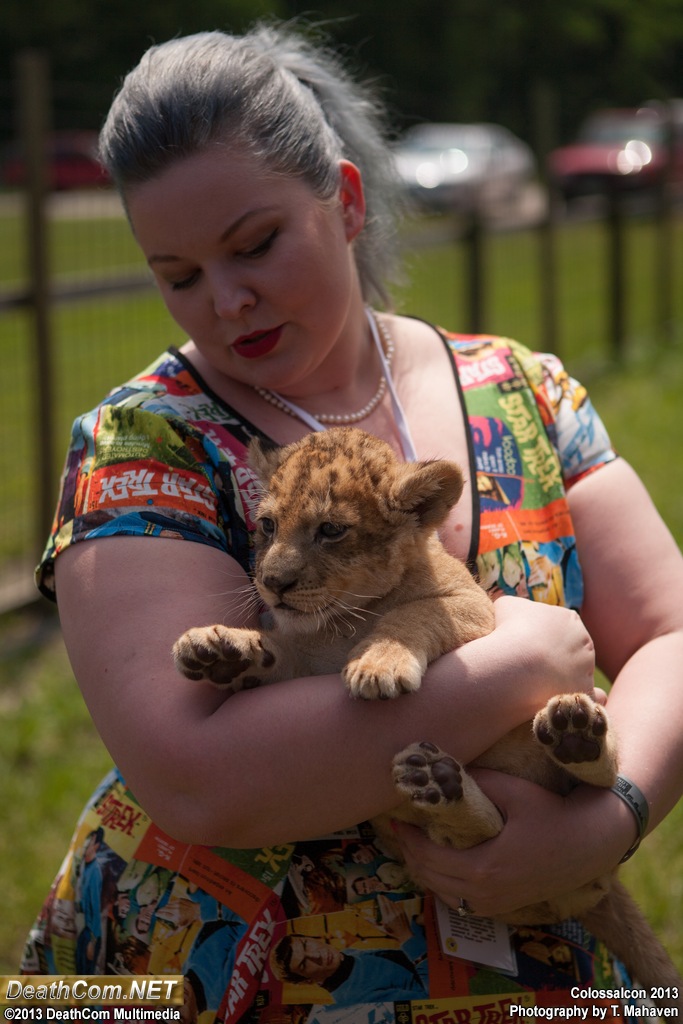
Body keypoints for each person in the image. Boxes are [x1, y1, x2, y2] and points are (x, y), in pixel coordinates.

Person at [21, 20, 683, 1023]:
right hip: (222, 979)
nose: (226, 300)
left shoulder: (521, 391)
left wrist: (608, 818)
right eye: (178, 274)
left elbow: (672, 633)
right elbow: (203, 782)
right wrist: (523, 659)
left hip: (543, 974)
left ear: (345, 201)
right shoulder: (139, 445)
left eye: (253, 244)